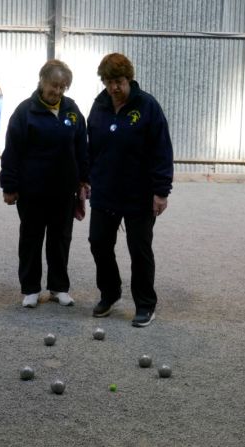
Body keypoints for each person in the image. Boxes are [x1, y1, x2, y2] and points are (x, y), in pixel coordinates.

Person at [86, 53, 173, 327]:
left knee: (139, 249)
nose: (114, 87)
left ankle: (145, 304)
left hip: (139, 194)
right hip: (105, 191)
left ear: (129, 79)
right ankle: (110, 293)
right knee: (99, 243)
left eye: (119, 82)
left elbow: (162, 150)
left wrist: (161, 191)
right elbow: (91, 148)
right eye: (109, 82)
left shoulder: (147, 106)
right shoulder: (99, 107)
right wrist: (86, 179)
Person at [0, 60, 89, 308]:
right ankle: (30, 289)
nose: (57, 91)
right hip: (32, 190)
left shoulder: (72, 110)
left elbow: (82, 147)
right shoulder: (24, 112)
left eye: (63, 87)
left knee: (60, 239)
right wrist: (9, 186)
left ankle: (59, 287)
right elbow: (12, 151)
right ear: (42, 81)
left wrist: (84, 178)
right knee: (31, 238)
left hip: (64, 190)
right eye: (54, 85)